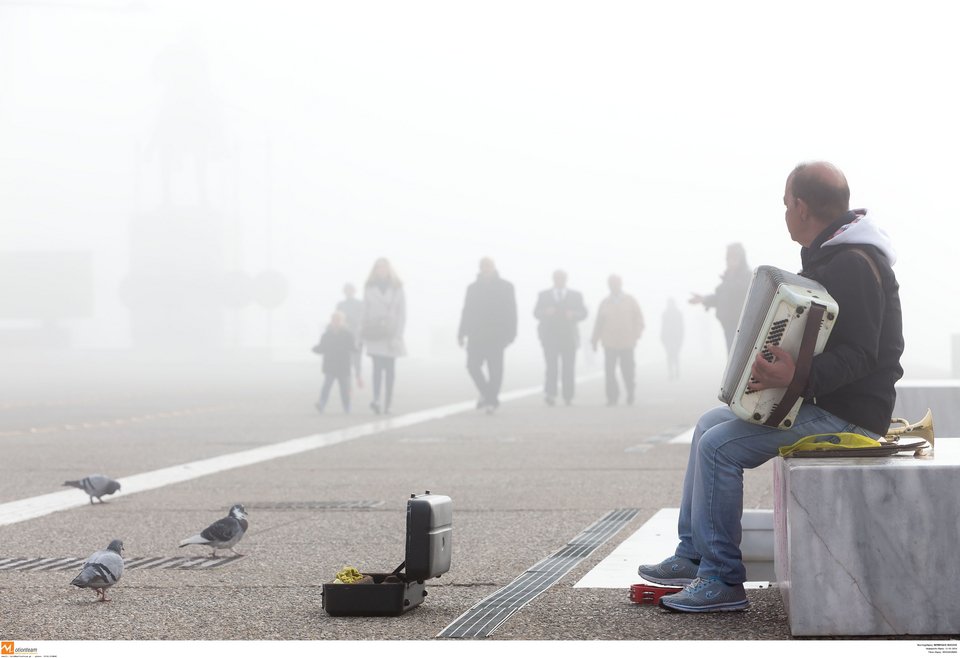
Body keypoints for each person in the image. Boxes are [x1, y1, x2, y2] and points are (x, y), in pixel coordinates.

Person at [638, 161, 904, 613]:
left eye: (785, 203)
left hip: (852, 416)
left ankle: (722, 580)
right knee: (709, 425)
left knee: (721, 447)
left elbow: (864, 354)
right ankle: (694, 554)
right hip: (824, 399)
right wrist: (793, 375)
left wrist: (795, 378)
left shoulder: (853, 264)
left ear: (800, 206)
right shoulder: (835, 255)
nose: (784, 212)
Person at [458, 257, 518, 413]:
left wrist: (511, 333)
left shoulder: (506, 287)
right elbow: (466, 311)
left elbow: (512, 311)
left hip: (497, 334)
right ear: (480, 268)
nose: (486, 269)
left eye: (489, 266)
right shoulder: (473, 288)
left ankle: (491, 401)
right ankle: (487, 394)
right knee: (472, 366)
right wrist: (461, 332)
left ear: (494, 267)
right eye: (483, 266)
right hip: (476, 334)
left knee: (495, 369)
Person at [534, 270, 588, 406]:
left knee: (568, 367)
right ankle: (550, 394)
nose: (559, 280)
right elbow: (536, 312)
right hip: (549, 337)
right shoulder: (544, 295)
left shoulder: (576, 296)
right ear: (553, 279)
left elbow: (584, 313)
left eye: (562, 278)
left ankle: (568, 396)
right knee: (551, 366)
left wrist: (574, 314)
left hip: (569, 337)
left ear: (566, 279)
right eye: (557, 278)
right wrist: (545, 312)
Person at [360, 258, 406, 415]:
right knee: (377, 369)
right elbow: (364, 311)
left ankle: (388, 402)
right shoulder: (369, 287)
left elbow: (402, 313)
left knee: (390, 370)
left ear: (389, 270)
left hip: (391, 333)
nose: (381, 271)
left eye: (384, 268)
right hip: (375, 333)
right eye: (378, 268)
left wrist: (398, 335)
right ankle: (376, 399)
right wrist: (363, 333)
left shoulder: (397, 287)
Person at [590, 275, 644, 405]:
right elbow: (599, 323)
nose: (613, 285)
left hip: (627, 342)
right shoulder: (605, 303)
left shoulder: (630, 301)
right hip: (609, 342)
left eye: (616, 283)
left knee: (628, 370)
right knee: (610, 371)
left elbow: (639, 319)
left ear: (620, 284)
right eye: (611, 283)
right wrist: (594, 339)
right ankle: (612, 397)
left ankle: (630, 392)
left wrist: (636, 334)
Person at [689, 242, 751, 353]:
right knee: (732, 357)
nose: (729, 260)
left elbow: (739, 291)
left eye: (733, 257)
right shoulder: (729, 277)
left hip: (741, 326)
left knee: (738, 358)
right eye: (728, 257)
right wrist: (704, 299)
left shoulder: (747, 276)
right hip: (728, 326)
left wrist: (729, 278)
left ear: (740, 258)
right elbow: (720, 298)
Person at [312, 311, 357, 413]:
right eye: (334, 320)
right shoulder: (326, 335)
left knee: (344, 389)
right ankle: (321, 404)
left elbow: (353, 347)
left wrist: (359, 347)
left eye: (338, 320)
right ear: (331, 321)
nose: (336, 322)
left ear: (343, 321)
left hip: (343, 366)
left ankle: (347, 408)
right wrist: (315, 349)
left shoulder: (348, 335)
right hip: (330, 365)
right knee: (326, 386)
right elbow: (322, 348)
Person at [336, 283, 365, 388]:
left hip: (357, 335)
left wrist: (351, 320)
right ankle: (349, 384)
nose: (348, 292)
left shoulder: (360, 304)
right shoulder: (340, 304)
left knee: (357, 359)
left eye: (350, 290)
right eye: (347, 290)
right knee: (347, 360)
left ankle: (358, 376)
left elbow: (362, 318)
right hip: (344, 336)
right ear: (344, 291)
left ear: (354, 291)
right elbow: (337, 320)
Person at [661, 298, 685, 380]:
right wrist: (662, 337)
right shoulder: (665, 314)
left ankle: (676, 371)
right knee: (670, 355)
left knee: (674, 354)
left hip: (675, 337)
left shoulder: (677, 313)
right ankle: (672, 372)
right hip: (668, 337)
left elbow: (681, 326)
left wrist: (681, 337)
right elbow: (663, 326)